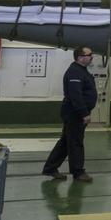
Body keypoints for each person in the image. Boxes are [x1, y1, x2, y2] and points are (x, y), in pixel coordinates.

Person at [42, 47, 98, 182]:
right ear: (80, 57)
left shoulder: (81, 71)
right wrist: (84, 113)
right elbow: (75, 95)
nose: (92, 57)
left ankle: (50, 168)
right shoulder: (75, 72)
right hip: (74, 113)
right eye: (89, 54)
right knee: (75, 142)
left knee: (66, 142)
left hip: (75, 112)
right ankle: (78, 172)